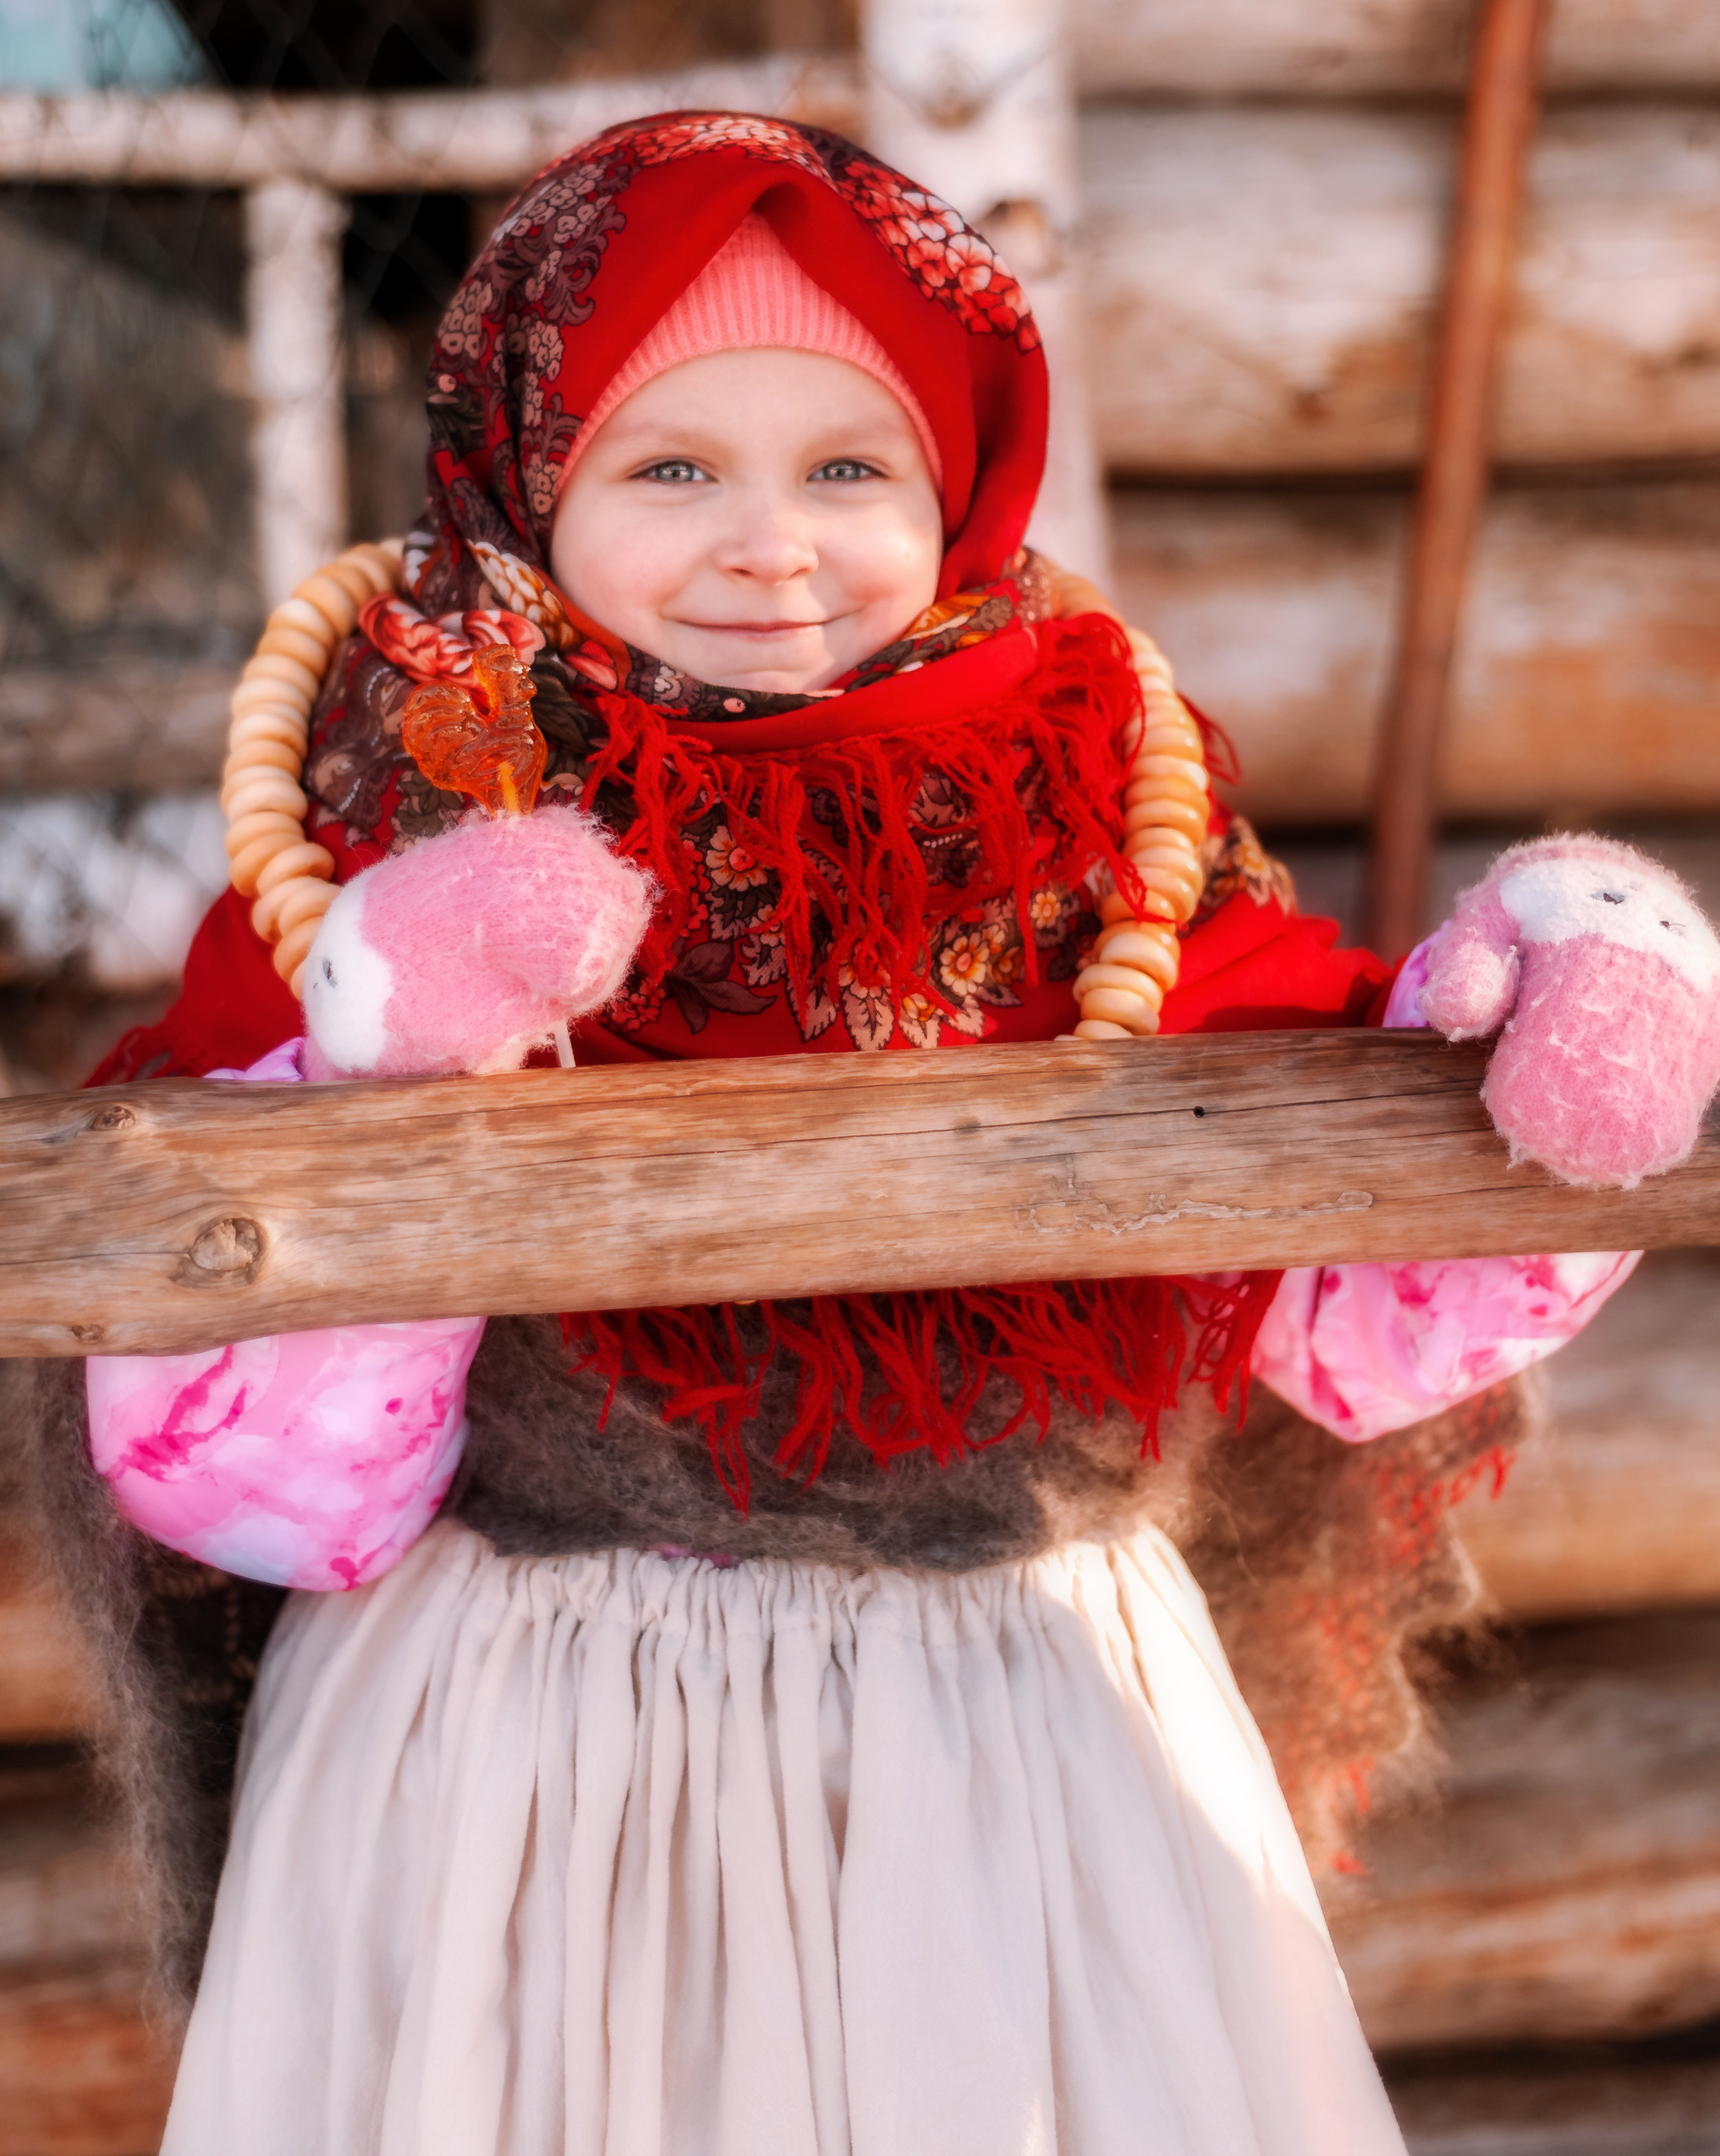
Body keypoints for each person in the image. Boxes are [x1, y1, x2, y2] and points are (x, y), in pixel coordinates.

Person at [41, 114, 1642, 2156]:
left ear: (959, 484)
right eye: (674, 466)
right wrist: (391, 1068)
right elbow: (262, 1480)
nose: (771, 542)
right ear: (535, 477)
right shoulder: (417, 786)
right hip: (538, 1735)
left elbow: (1335, 1299)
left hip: (1017, 1722)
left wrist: (1545, 1016)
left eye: (850, 467)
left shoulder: (1090, 795)